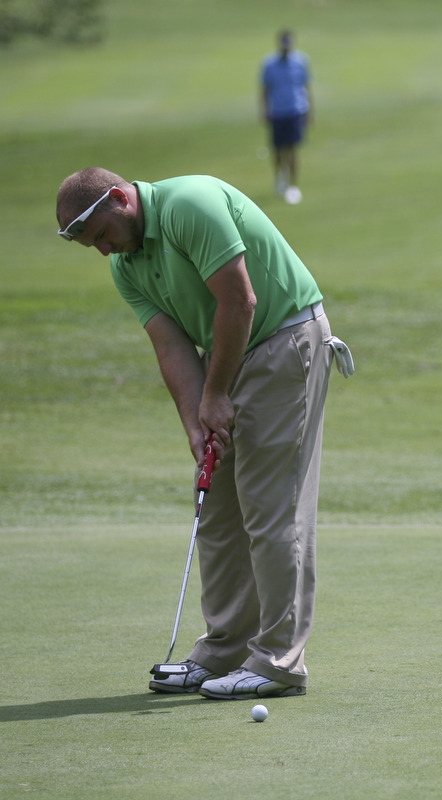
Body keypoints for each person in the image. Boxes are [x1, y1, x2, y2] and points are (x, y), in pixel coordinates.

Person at [55, 168, 354, 700]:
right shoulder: (127, 266)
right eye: (90, 246)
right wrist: (197, 423)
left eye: (102, 235)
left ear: (121, 199)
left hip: (284, 338)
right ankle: (224, 649)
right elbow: (171, 348)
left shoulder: (188, 205)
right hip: (228, 352)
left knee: (270, 506)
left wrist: (215, 395)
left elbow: (240, 301)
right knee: (216, 506)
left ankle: (279, 661)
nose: (103, 251)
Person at [260, 29, 312, 205]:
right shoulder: (269, 64)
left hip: (295, 110)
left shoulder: (300, 61)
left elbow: (306, 86)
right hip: (277, 112)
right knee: (277, 150)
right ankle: (280, 179)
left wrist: (310, 111)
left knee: (293, 149)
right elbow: (265, 89)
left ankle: (293, 186)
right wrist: (264, 110)